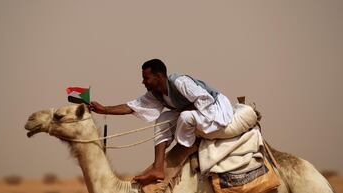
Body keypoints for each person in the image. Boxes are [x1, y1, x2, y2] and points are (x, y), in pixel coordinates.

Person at [89, 59, 234, 185]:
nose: (143, 82)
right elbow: (131, 107)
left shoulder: (179, 82)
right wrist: (104, 109)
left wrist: (185, 111)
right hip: (191, 113)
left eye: (146, 78)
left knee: (185, 117)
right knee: (162, 119)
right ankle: (158, 169)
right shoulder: (156, 94)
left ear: (158, 76)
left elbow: (205, 99)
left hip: (214, 108)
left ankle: (185, 149)